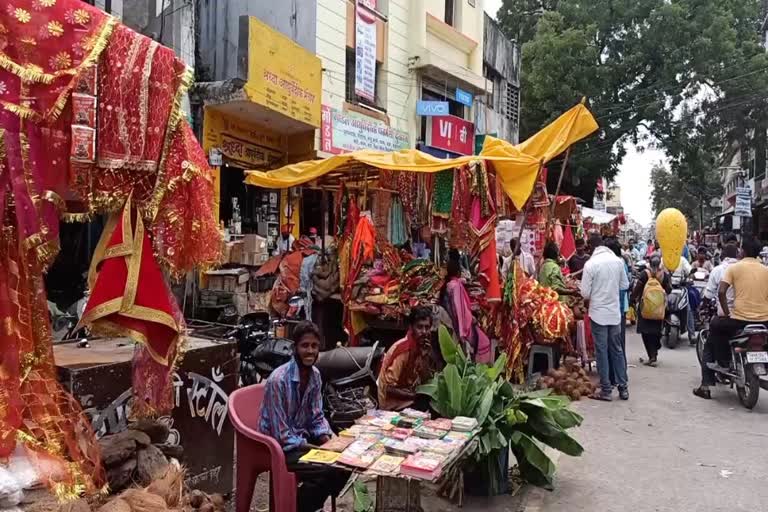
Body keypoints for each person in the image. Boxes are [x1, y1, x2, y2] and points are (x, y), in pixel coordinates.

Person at [259, 321, 350, 512]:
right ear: (295, 348)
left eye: (314, 346)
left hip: (301, 438)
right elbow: (281, 434)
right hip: (278, 446)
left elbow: (316, 417)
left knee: (346, 463)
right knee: (326, 469)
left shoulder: (315, 375)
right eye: (305, 346)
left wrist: (329, 440)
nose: (310, 351)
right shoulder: (278, 380)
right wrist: (316, 449)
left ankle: (302, 505)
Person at [694, 237, 768, 399]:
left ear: (743, 251)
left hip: (739, 318)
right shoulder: (765, 270)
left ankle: (706, 384)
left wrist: (727, 313)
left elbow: (720, 292)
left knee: (713, 331)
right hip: (764, 321)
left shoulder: (734, 268)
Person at [580, 234, 630, 401]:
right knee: (617, 349)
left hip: (598, 313)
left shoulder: (590, 264)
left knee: (601, 351)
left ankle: (606, 390)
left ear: (592, 247)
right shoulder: (618, 262)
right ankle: (623, 388)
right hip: (614, 313)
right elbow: (625, 285)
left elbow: (585, 293)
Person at [378, 307, 439, 411]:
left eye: (427, 327)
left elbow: (426, 379)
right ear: (411, 327)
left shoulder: (423, 347)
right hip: (392, 403)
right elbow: (389, 388)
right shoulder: (403, 350)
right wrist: (414, 396)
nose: (424, 332)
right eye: (419, 327)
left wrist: (424, 357)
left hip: (409, 396)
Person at [440, 258, 492, 362]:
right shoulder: (456, 286)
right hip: (462, 326)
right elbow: (460, 310)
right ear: (459, 272)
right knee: (484, 342)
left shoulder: (449, 285)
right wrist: (465, 328)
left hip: (456, 323)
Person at [631, 255, 671, 366]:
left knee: (645, 332)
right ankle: (655, 351)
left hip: (645, 308)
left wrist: (632, 299)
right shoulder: (663, 275)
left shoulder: (645, 274)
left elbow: (637, 288)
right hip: (658, 309)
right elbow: (669, 289)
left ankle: (651, 356)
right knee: (657, 331)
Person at [607, 239, 631, 381]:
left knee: (616, 345)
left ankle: (618, 377)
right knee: (618, 344)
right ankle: (619, 376)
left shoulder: (618, 264)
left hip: (617, 309)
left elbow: (622, 289)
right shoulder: (619, 263)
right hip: (618, 308)